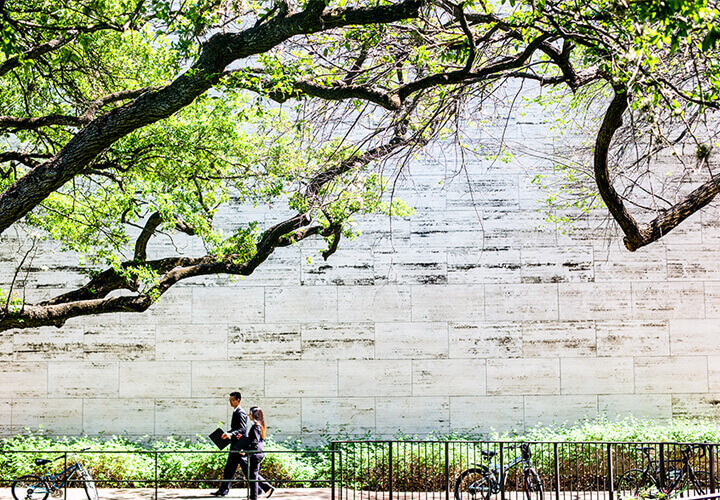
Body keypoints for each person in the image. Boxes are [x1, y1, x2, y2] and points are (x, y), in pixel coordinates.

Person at [211, 392, 274, 497]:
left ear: (238, 400)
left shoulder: (241, 413)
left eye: (232, 400)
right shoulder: (236, 412)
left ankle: (264, 487)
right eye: (230, 399)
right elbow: (237, 429)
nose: (230, 402)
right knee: (230, 469)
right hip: (236, 445)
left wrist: (231, 434)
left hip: (239, 446)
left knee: (247, 470)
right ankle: (224, 490)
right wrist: (228, 434)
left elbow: (242, 429)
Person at [245, 406, 269, 500]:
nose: (249, 415)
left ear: (254, 415)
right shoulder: (260, 425)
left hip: (256, 453)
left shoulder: (255, 426)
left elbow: (254, 442)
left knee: (253, 476)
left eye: (250, 413)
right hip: (259, 452)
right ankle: (255, 495)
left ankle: (254, 497)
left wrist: (245, 451)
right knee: (253, 475)